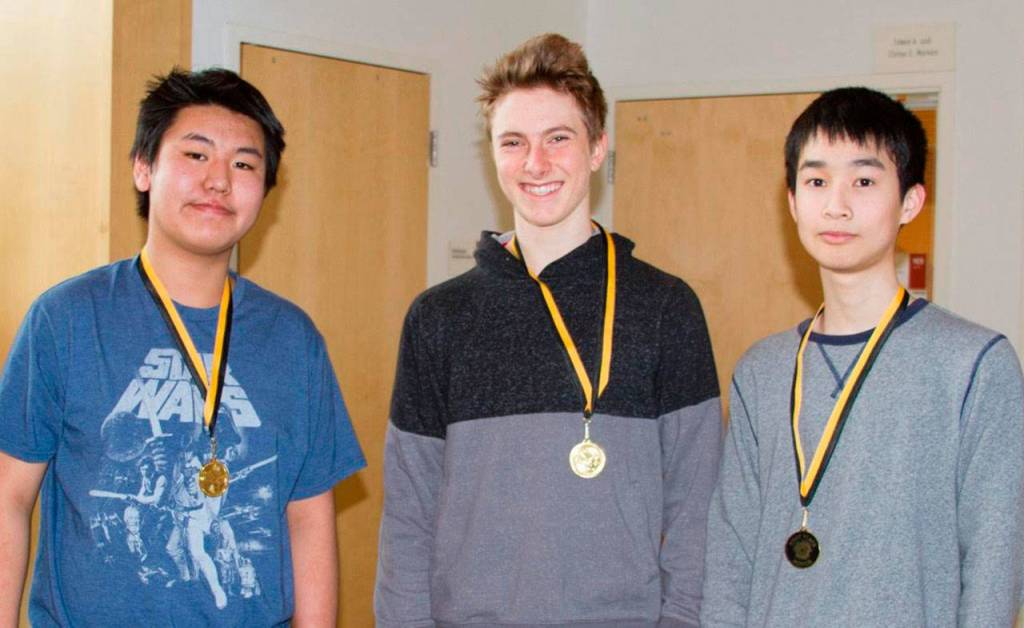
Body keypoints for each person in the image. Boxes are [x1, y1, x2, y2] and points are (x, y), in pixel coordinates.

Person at [375, 33, 721, 627]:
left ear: (597, 149)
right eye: (513, 142)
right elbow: (409, 518)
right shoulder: (438, 318)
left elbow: (699, 517)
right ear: (492, 153)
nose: (535, 164)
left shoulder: (666, 308)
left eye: (558, 138)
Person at [0, 68, 365, 626]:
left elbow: (308, 517)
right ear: (144, 168)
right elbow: (9, 497)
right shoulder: (66, 319)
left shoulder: (294, 339)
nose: (219, 180)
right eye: (196, 155)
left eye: (244, 164)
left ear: (266, 190)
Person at [700, 87, 1024, 625]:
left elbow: (994, 571)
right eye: (817, 180)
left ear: (911, 201)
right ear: (792, 201)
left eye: (865, 180)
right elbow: (730, 562)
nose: (837, 204)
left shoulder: (974, 365)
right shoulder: (763, 371)